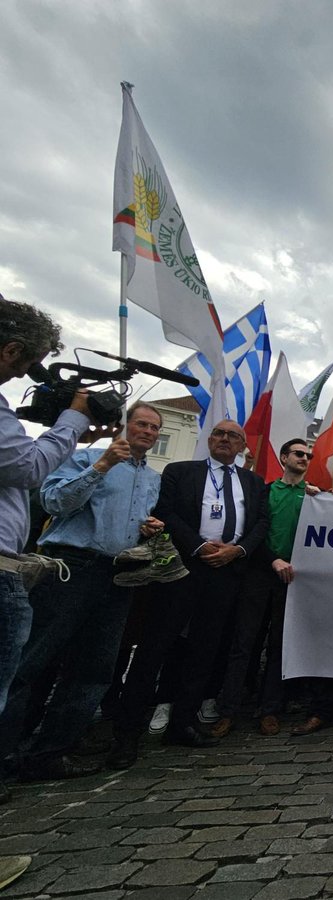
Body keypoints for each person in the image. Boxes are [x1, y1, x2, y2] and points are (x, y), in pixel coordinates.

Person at [0, 403, 163, 784]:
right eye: (142, 424)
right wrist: (101, 466)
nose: (149, 432)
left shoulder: (152, 479)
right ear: (125, 426)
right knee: (31, 663)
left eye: (155, 428)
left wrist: (147, 529)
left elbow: (127, 523)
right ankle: (7, 753)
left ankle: (51, 752)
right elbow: (53, 502)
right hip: (70, 567)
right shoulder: (86, 457)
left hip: (118, 572)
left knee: (94, 668)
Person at [107, 420, 270, 769]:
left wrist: (236, 551)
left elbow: (261, 524)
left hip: (227, 573)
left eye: (233, 436)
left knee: (205, 650)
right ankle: (127, 734)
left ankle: (183, 723)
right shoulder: (181, 472)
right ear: (209, 440)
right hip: (181, 569)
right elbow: (165, 512)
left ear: (243, 445)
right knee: (156, 647)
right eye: (219, 434)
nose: (225, 439)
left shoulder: (254, 483)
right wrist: (197, 546)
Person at [0, 299, 96, 820]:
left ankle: (48, 749)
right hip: (50, 568)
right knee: (21, 672)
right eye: (21, 366)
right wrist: (73, 424)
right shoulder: (79, 452)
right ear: (12, 350)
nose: (20, 375)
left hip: (103, 577)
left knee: (88, 669)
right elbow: (32, 473)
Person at [213, 439, 312, 740]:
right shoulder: (264, 492)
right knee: (244, 642)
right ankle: (227, 710)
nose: (305, 458)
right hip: (259, 574)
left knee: (280, 645)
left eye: (309, 455)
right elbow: (252, 533)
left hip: (293, 579)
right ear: (284, 457)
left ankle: (270, 709)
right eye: (298, 453)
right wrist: (273, 560)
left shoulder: (313, 497)